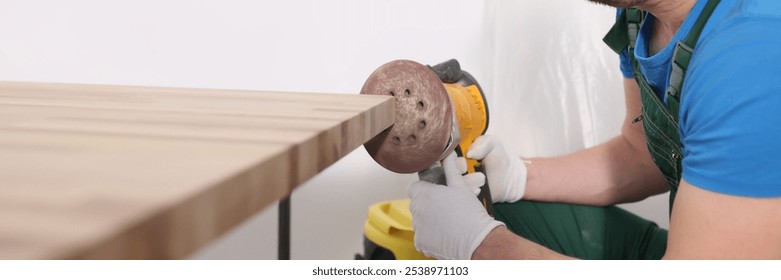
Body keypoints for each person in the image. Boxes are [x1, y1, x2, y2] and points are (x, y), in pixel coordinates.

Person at [407, 0, 781, 260]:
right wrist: (517, 176)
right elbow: (642, 155)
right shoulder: (638, 15)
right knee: (498, 208)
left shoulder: (752, 53)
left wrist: (481, 246)